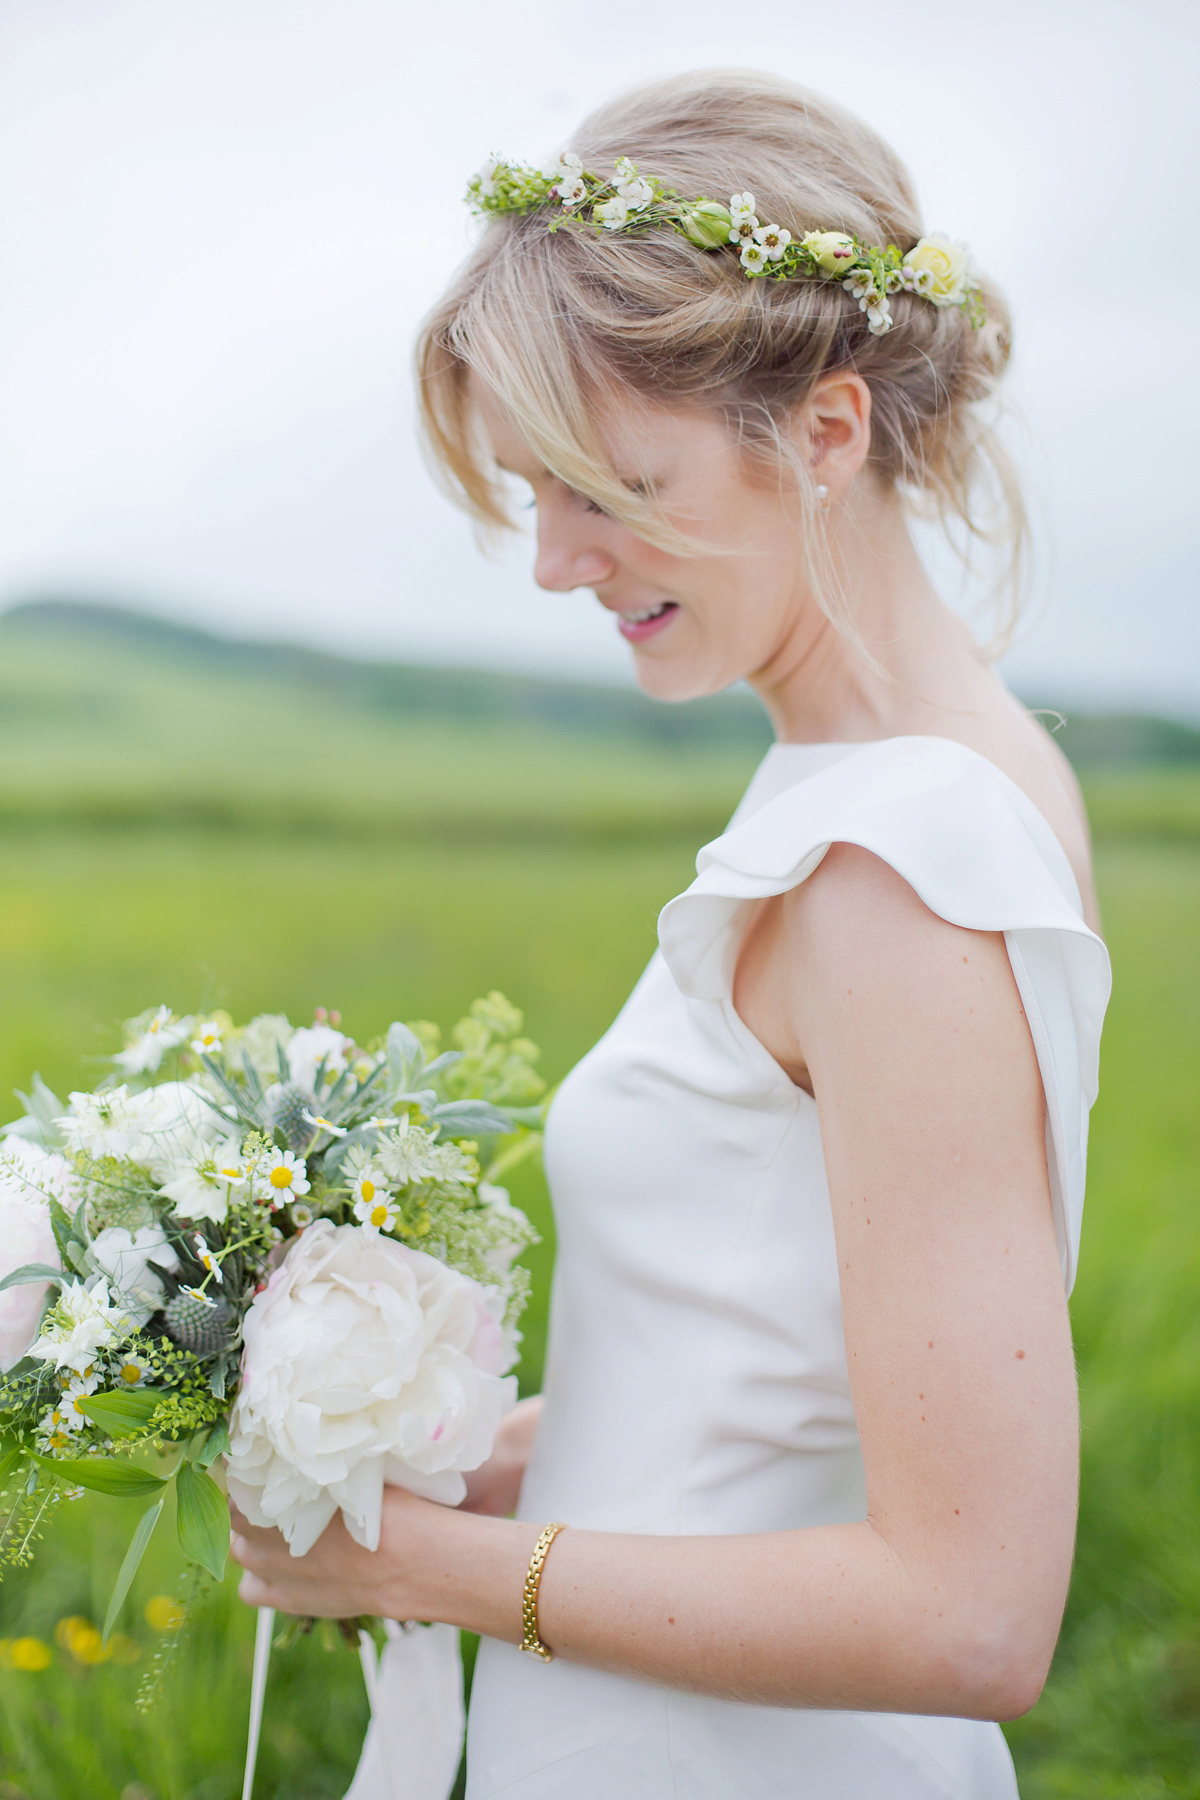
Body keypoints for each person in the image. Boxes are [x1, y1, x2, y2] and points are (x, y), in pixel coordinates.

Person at [230, 69, 1112, 1799]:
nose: (556, 559)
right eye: (532, 490)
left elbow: (971, 1616)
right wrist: (446, 1453)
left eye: (608, 485)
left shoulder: (895, 864)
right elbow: (796, 1396)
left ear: (830, 434)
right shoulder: (943, 774)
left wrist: (421, 1567)